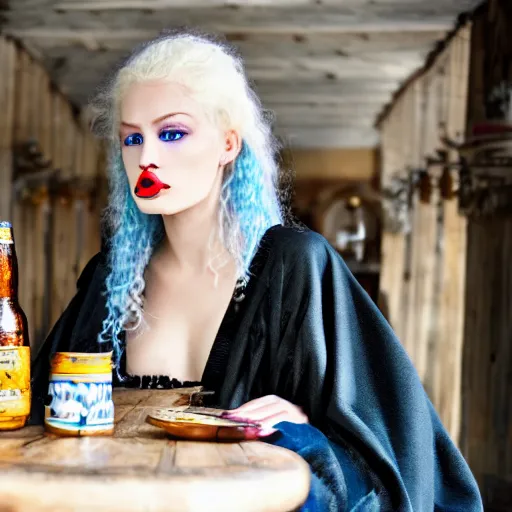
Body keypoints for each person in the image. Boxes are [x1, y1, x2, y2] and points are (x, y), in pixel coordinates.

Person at [30, 30, 483, 511]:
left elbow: (397, 447)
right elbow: (35, 416)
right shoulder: (109, 280)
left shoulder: (296, 265)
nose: (147, 157)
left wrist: (303, 434)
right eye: (132, 138)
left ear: (228, 144)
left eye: (172, 133)